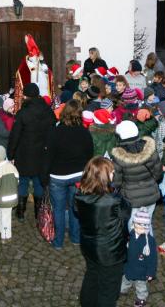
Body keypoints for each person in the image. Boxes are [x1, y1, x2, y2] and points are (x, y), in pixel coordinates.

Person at [75, 156, 131, 307]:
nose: (114, 175)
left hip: (89, 247)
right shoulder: (113, 200)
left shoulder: (79, 196)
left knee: (92, 275)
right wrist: (118, 192)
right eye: (111, 173)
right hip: (110, 252)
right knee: (109, 289)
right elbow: (126, 212)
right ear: (104, 176)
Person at [44, 99, 94, 249]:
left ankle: (58, 242)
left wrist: (44, 175)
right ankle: (75, 237)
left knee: (58, 209)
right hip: (78, 175)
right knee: (75, 207)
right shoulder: (84, 132)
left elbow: (48, 155)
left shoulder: (55, 131)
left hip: (57, 176)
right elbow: (89, 154)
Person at [7, 83, 56, 222]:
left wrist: (10, 154)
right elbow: (52, 131)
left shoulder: (23, 113)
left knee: (22, 181)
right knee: (39, 182)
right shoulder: (48, 111)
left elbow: (15, 135)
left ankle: (21, 211)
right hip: (42, 153)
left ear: (26, 96)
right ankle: (38, 212)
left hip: (24, 154)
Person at [111, 120, 162, 232]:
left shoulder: (119, 157)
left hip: (131, 199)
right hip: (151, 195)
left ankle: (135, 248)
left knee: (134, 229)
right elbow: (158, 174)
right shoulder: (151, 150)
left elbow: (117, 182)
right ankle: (149, 247)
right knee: (146, 225)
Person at [120, 208, 157, 307]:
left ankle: (141, 298)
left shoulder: (150, 241)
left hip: (141, 269)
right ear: (134, 223)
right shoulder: (130, 235)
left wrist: (150, 272)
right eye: (138, 224)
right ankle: (122, 290)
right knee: (126, 279)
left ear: (147, 227)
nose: (140, 228)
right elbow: (125, 249)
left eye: (144, 226)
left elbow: (153, 259)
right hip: (129, 266)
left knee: (140, 285)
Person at [14, 34, 54, 112]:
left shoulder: (42, 64)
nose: (35, 58)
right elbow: (21, 74)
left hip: (43, 90)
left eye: (36, 56)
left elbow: (48, 74)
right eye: (33, 57)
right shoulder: (26, 64)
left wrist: (45, 70)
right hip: (33, 90)